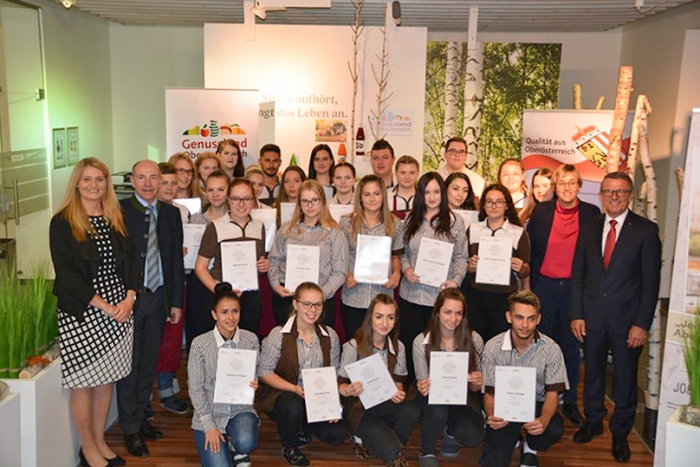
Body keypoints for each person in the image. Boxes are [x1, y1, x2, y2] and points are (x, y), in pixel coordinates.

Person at [50, 158, 138, 467]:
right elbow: (67, 275)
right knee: (83, 382)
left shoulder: (116, 217)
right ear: (76, 183)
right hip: (83, 313)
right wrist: (104, 305)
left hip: (119, 311)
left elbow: (131, 261)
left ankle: (100, 440)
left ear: (107, 183)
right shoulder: (62, 222)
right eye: (87, 179)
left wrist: (129, 298)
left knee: (106, 380)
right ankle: (87, 448)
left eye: (99, 179)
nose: (93, 185)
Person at [569, 172, 661, 463]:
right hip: (592, 317)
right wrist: (576, 314)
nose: (614, 196)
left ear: (630, 195)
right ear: (601, 195)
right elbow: (578, 273)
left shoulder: (646, 230)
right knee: (593, 374)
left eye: (620, 191)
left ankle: (620, 433)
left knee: (625, 379)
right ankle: (593, 421)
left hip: (628, 322)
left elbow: (651, 283)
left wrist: (642, 324)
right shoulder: (589, 227)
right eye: (609, 191)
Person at [117, 160, 185, 458]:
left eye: (153, 178)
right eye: (141, 178)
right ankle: (130, 428)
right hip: (130, 301)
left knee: (148, 363)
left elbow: (174, 261)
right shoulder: (119, 211)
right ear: (132, 181)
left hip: (158, 298)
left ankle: (140, 416)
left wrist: (176, 302)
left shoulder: (171, 214)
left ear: (161, 181)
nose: (148, 183)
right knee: (129, 367)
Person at [526, 164, 599, 427]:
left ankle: (569, 401)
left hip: (574, 290)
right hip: (543, 287)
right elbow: (531, 250)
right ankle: (539, 397)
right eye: (562, 183)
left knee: (570, 346)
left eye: (571, 182)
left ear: (579, 185)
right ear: (555, 187)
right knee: (540, 345)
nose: (567, 187)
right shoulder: (542, 211)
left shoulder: (591, 214)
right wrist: (528, 287)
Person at [258, 282, 348, 466]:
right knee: (293, 405)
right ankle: (289, 447)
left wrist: (333, 404)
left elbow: (333, 372)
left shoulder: (330, 335)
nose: (312, 310)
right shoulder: (278, 334)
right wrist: (294, 388)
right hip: (284, 395)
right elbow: (264, 372)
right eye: (307, 304)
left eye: (318, 305)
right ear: (295, 304)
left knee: (337, 435)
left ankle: (302, 425)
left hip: (317, 398)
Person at [480, 290, 567, 467]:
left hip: (537, 403)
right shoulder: (492, 348)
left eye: (531, 318)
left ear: (539, 319)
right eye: (519, 317)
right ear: (509, 317)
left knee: (553, 428)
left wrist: (544, 420)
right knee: (493, 463)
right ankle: (512, 436)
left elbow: (553, 393)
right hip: (504, 405)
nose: (525, 325)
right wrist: (491, 414)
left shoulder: (552, 349)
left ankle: (531, 447)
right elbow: (489, 391)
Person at [398, 172, 468, 380]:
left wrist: (455, 281)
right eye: (426, 192)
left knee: (436, 348)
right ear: (420, 194)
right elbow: (401, 252)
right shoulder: (410, 219)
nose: (431, 197)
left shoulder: (455, 221)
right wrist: (406, 269)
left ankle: (439, 386)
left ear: (443, 193)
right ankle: (414, 387)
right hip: (411, 295)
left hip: (440, 298)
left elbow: (462, 257)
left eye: (436, 192)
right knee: (411, 344)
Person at [338, 294, 419, 466]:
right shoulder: (353, 346)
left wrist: (399, 393)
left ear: (396, 320)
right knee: (391, 452)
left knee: (411, 410)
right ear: (370, 318)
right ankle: (365, 436)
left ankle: (386, 440)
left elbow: (398, 382)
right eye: (379, 316)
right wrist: (348, 390)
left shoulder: (399, 347)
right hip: (359, 408)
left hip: (383, 403)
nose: (384, 323)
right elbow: (340, 384)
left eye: (390, 317)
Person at [188, 282, 260, 467]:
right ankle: (226, 445)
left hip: (240, 409)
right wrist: (209, 427)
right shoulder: (199, 345)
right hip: (210, 412)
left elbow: (254, 373)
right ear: (214, 314)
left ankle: (236, 448)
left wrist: (254, 382)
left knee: (246, 442)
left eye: (235, 311)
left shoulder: (251, 340)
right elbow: (195, 389)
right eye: (224, 312)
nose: (231, 317)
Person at [412, 288, 484, 467]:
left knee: (473, 436)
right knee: (438, 410)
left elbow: (475, 388)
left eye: (459, 313)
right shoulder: (421, 342)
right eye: (448, 312)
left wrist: (477, 381)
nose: (453, 319)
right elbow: (423, 385)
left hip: (463, 396)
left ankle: (451, 431)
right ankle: (427, 451)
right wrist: (423, 386)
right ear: (437, 312)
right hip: (433, 398)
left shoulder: (475, 339)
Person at [268, 180, 348, 327]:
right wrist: (275, 285)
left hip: (319, 303)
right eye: (305, 201)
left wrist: (320, 296)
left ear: (322, 201)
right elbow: (273, 260)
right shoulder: (286, 229)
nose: (310, 205)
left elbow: (340, 272)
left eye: (314, 200)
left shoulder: (335, 233)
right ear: (299, 203)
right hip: (287, 298)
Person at [194, 178, 268, 336]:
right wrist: (219, 290)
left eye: (247, 199)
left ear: (253, 200)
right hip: (222, 297)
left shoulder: (259, 226)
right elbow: (200, 267)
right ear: (228, 199)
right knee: (221, 343)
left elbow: (258, 262)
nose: (241, 204)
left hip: (250, 296)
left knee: (248, 340)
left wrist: (263, 266)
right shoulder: (215, 227)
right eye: (236, 199)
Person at [465, 184, 531, 342]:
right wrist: (469, 267)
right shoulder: (473, 229)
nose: (494, 206)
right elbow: (462, 263)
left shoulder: (518, 233)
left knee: (499, 344)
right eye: (489, 201)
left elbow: (527, 269)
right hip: (475, 296)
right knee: (475, 343)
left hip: (504, 299)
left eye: (499, 202)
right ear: (483, 205)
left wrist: (521, 268)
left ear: (506, 205)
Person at [340, 174, 402, 339]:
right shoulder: (346, 223)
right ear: (360, 197)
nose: (372, 199)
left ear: (383, 195)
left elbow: (396, 255)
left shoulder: (395, 223)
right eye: (367, 194)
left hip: (382, 295)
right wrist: (346, 274)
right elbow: (339, 256)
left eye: (376, 193)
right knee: (354, 344)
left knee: (380, 344)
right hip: (354, 295)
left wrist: (396, 273)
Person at [154, 162, 191, 415]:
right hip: (151, 287)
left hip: (176, 283)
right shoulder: (143, 213)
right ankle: (146, 396)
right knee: (151, 343)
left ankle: (166, 391)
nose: (169, 187)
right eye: (164, 183)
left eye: (173, 183)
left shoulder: (180, 212)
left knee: (171, 341)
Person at [390, 155, 419, 220]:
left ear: (418, 173)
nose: (407, 177)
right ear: (396, 173)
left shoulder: (425, 197)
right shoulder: (386, 197)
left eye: (412, 173)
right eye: (403, 173)